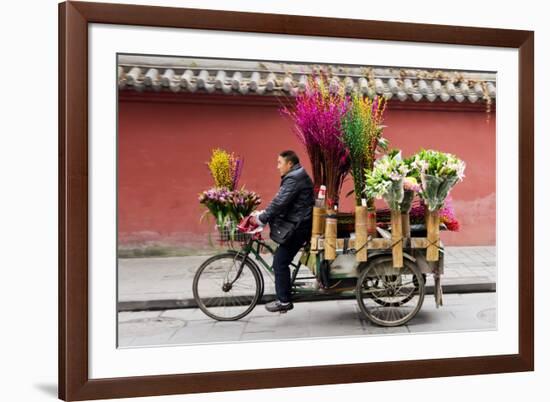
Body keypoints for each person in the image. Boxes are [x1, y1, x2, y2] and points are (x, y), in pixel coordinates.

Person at [249, 150, 314, 313]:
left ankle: (284, 301)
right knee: (281, 259)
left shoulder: (294, 178)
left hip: (299, 227)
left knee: (280, 261)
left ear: (289, 164)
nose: (277, 166)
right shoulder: (296, 175)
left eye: (279, 163)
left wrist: (262, 218)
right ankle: (284, 292)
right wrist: (264, 214)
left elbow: (280, 202)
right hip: (298, 222)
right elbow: (280, 201)